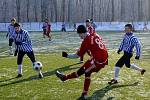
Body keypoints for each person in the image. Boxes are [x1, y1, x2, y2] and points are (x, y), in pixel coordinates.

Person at [55, 25, 108, 99]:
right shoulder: (95, 34)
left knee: (84, 71)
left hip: (98, 61)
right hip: (101, 58)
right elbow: (99, 45)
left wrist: (67, 55)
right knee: (86, 71)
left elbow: (77, 55)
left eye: (79, 34)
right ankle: (67, 79)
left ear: (82, 33)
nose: (79, 37)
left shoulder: (86, 41)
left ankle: (83, 92)